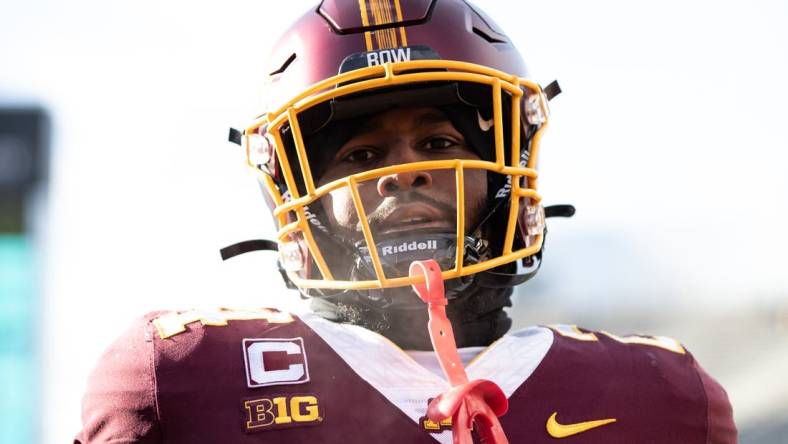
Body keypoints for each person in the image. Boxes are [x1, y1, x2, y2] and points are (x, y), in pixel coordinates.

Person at [76, 0, 737, 442]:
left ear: (505, 179)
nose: (403, 173)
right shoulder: (182, 380)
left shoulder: (662, 398)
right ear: (299, 201)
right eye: (362, 155)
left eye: (440, 145)